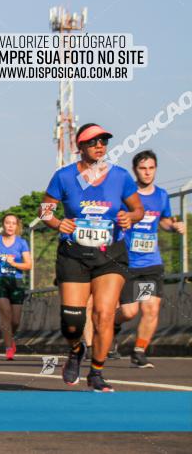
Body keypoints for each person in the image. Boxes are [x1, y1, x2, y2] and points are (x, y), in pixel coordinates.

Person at [40, 123, 143, 392]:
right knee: (72, 321)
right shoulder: (64, 177)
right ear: (80, 147)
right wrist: (57, 223)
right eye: (93, 142)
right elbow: (45, 211)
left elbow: (138, 209)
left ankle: (96, 372)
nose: (100, 146)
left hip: (111, 254)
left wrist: (129, 217)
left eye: (103, 141)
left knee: (104, 314)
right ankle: (76, 350)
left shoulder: (120, 176)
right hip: (74, 254)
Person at [115, 150, 186, 368]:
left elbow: (163, 220)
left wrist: (173, 227)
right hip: (128, 262)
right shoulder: (127, 196)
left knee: (150, 309)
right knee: (129, 312)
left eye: (151, 168)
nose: (147, 172)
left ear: (155, 169)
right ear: (135, 170)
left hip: (150, 263)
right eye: (142, 168)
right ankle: (112, 325)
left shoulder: (161, 195)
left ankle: (139, 351)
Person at [0, 213, 33, 360]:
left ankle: (10, 338)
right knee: (5, 313)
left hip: (16, 281)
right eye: (8, 223)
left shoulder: (22, 243)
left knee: (15, 320)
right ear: (3, 225)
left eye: (13, 223)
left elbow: (28, 264)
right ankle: (8, 348)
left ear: (17, 226)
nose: (10, 226)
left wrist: (14, 264)